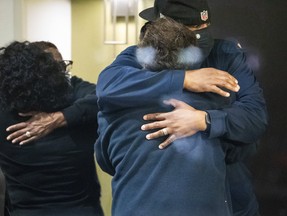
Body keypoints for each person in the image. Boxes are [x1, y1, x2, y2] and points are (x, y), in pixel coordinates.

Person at [95, 0, 268, 216]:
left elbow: (255, 120)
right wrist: (183, 79)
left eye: (205, 27)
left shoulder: (225, 53)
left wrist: (204, 120)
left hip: (230, 195)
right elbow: (107, 85)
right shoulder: (134, 63)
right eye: (193, 29)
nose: (202, 34)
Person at [0, 41, 104, 216]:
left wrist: (58, 118)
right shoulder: (75, 100)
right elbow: (106, 97)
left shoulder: (4, 112)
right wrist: (64, 117)